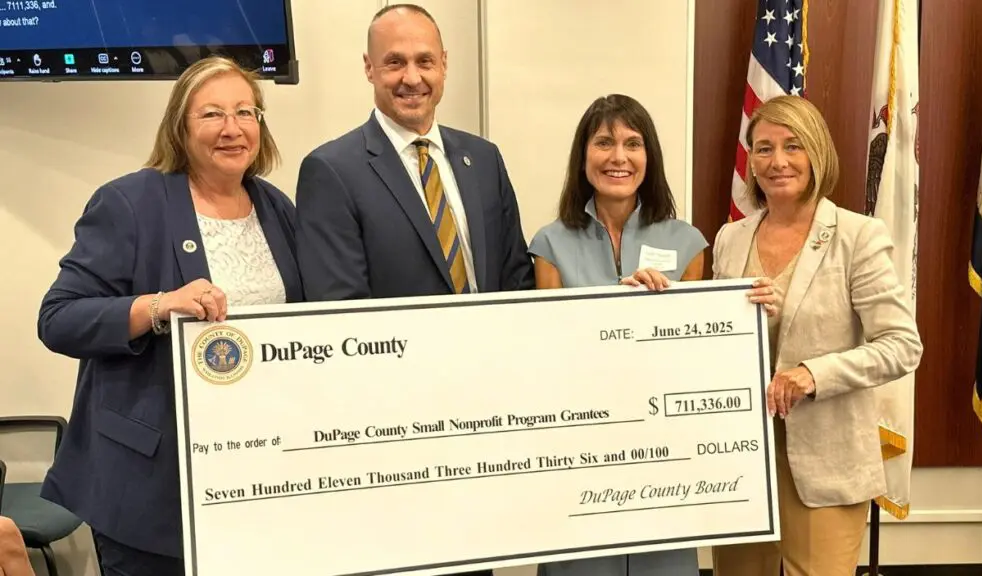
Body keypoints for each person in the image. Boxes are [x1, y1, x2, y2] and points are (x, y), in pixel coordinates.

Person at [36, 56, 303, 576]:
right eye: (212, 115)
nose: (232, 129)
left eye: (246, 113)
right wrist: (158, 305)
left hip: (253, 471)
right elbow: (58, 318)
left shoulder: (277, 208)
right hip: (151, 482)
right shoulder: (130, 202)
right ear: (181, 127)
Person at [528, 94, 776, 576]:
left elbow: (698, 356)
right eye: (603, 143)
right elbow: (547, 354)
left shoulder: (688, 243)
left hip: (663, 458)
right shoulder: (549, 243)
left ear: (650, 157)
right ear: (584, 158)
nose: (618, 157)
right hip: (579, 455)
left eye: (632, 143)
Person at [709, 95, 923, 576]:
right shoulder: (730, 238)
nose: (777, 161)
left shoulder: (857, 236)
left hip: (828, 457)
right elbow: (713, 335)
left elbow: (902, 346)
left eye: (793, 146)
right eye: (763, 149)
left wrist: (812, 374)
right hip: (741, 459)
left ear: (817, 154)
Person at [294, 3, 534, 303]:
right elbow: (340, 305)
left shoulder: (485, 159)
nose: (412, 78)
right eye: (395, 62)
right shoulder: (331, 172)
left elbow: (517, 278)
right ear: (369, 67)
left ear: (443, 64)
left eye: (425, 61)